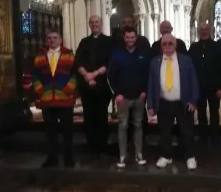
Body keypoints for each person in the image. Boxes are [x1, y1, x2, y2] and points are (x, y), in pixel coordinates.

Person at [147, 34, 199, 170]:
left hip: (183, 102)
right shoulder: (155, 62)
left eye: (170, 43)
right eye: (165, 44)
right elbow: (151, 84)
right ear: (161, 46)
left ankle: (190, 157)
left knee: (186, 131)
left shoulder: (186, 60)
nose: (168, 46)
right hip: (164, 102)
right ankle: (166, 156)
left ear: (175, 45)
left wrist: (193, 101)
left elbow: (194, 81)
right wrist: (151, 104)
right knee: (165, 132)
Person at [32, 29, 77, 168]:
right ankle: (52, 158)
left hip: (64, 99)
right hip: (47, 100)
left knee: (67, 131)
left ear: (60, 39)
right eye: (49, 38)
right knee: (50, 132)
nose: (52, 40)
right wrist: (41, 91)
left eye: (55, 37)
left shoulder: (69, 55)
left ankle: (68, 158)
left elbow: (74, 75)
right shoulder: (39, 56)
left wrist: (67, 90)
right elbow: (35, 76)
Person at [108, 26, 149, 168]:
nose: (130, 40)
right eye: (127, 37)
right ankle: (122, 156)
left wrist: (145, 91)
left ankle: (139, 154)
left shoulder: (143, 53)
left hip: (139, 96)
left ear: (136, 38)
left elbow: (147, 74)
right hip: (122, 98)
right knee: (123, 126)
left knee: (138, 126)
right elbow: (111, 76)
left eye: (132, 37)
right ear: (124, 38)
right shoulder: (117, 54)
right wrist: (116, 94)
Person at [74, 15, 114, 156]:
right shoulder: (84, 42)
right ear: (89, 25)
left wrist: (95, 74)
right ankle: (91, 144)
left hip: (102, 85)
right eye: (92, 22)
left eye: (97, 22)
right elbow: (77, 61)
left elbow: (110, 62)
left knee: (101, 115)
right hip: (86, 85)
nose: (94, 24)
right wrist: (87, 75)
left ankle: (102, 145)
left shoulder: (109, 41)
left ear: (101, 24)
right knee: (89, 115)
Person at [188, 22, 221, 145]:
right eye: (201, 29)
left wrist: (220, 87)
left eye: (206, 29)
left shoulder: (217, 46)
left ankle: (215, 136)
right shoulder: (193, 47)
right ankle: (203, 136)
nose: (203, 31)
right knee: (201, 112)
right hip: (199, 86)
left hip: (214, 87)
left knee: (214, 112)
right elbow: (190, 68)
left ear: (210, 31)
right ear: (198, 31)